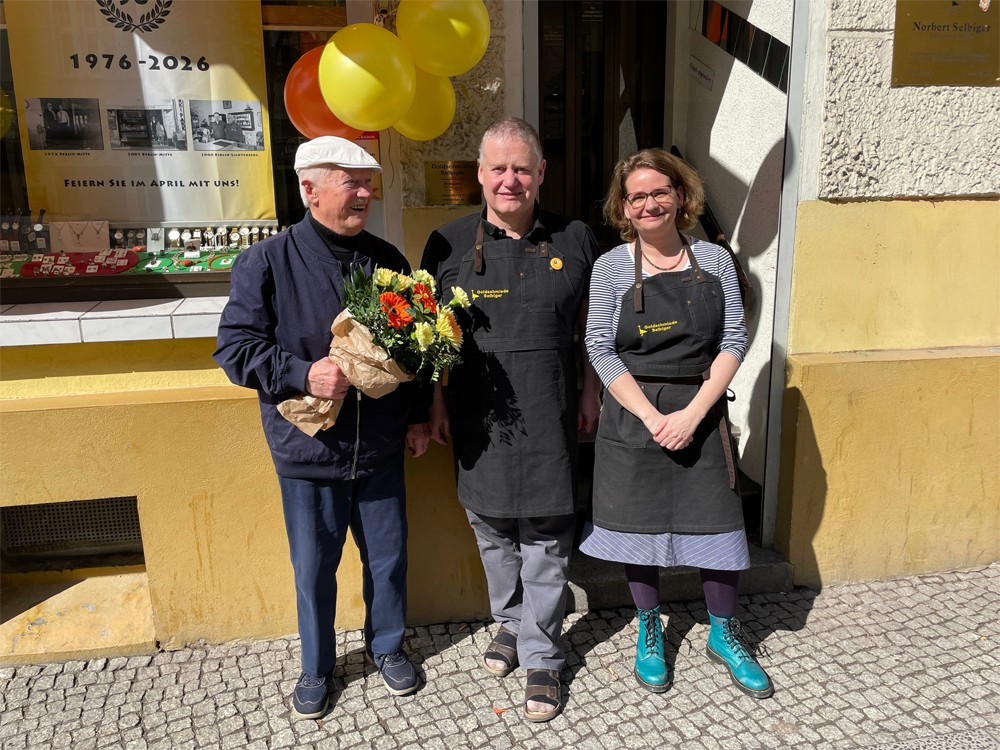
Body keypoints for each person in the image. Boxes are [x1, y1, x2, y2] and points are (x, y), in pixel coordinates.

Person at [214, 136, 431, 719]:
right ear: (308, 189)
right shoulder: (265, 262)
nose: (363, 193)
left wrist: (414, 419)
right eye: (349, 181)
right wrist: (304, 374)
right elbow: (235, 349)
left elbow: (414, 351)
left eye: (368, 183)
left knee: (388, 558)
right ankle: (317, 665)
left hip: (381, 444)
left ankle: (386, 647)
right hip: (310, 449)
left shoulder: (388, 260)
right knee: (313, 567)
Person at [420, 116, 601, 722]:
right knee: (493, 532)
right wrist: (438, 401)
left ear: (541, 172)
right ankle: (510, 623)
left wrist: (591, 393)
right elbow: (434, 340)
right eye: (497, 168)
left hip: (549, 412)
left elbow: (589, 331)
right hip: (477, 420)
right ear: (479, 174)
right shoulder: (445, 244)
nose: (510, 180)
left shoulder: (576, 238)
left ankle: (544, 656)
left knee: (546, 539)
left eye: (522, 168)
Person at [582, 148, 772, 698]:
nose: (649, 203)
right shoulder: (610, 267)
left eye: (659, 192)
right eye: (636, 195)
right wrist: (649, 415)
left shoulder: (714, 259)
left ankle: (723, 633)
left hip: (700, 409)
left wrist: (692, 414)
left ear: (681, 196)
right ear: (623, 206)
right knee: (635, 528)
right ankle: (648, 626)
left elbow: (734, 339)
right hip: (633, 414)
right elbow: (597, 345)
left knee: (718, 525)